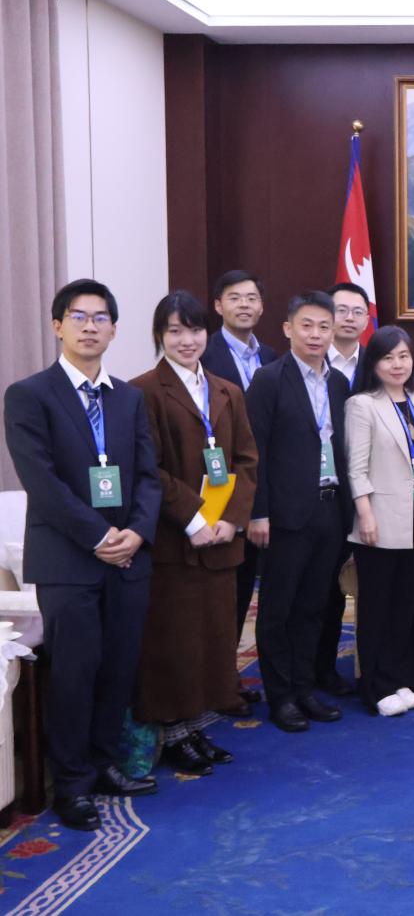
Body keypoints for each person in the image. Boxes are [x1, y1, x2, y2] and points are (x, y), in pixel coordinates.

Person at [3, 279, 161, 831]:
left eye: (100, 318)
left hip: (129, 558)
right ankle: (71, 783)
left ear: (114, 330)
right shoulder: (29, 395)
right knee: (74, 672)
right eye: (78, 317)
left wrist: (136, 533)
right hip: (68, 561)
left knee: (118, 668)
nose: (90, 326)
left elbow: (148, 475)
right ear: (57, 326)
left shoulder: (129, 397)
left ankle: (103, 763)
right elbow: (42, 482)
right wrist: (100, 538)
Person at [131, 291, 258, 774]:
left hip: (222, 538)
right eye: (175, 331)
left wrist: (232, 519)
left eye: (195, 329)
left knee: (212, 637)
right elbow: (149, 469)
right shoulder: (143, 391)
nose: (187, 340)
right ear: (160, 336)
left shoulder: (227, 391)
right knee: (174, 641)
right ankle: (174, 733)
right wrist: (194, 519)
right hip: (176, 541)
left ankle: (197, 726)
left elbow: (246, 460)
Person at [245, 291, 352, 732]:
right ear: (288, 328)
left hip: (330, 509)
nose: (315, 334)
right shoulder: (268, 380)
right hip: (285, 515)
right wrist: (258, 512)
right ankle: (281, 696)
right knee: (278, 609)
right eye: (306, 325)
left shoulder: (339, 384)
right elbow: (255, 452)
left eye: (324, 327)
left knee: (314, 606)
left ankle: (305, 689)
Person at [344, 326, 414, 717]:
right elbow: (356, 467)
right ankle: (376, 686)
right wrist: (365, 513)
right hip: (378, 520)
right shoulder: (362, 405)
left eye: (404, 356)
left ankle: (405, 678)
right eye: (387, 357)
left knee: (403, 604)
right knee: (376, 605)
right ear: (374, 364)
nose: (397, 364)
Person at [202, 269, 277, 714]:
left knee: (245, 588)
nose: (244, 305)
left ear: (262, 307)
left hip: (262, 487)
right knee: (219, 597)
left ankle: (226, 678)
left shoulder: (270, 356)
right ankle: (215, 682)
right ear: (218, 305)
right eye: (235, 298)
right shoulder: (203, 354)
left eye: (251, 298)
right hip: (219, 492)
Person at [313, 280, 373, 698]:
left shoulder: (380, 363)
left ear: (367, 319)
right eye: (341, 310)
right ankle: (317, 668)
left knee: (369, 583)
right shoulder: (313, 363)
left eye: (358, 311)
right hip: (326, 492)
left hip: (372, 491)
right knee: (323, 586)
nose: (349, 318)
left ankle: (365, 666)